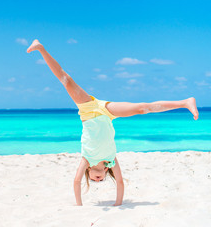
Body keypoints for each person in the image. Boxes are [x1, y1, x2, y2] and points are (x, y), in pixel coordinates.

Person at [26, 39, 199, 206]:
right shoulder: (111, 160)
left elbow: (76, 181)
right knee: (141, 109)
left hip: (89, 109)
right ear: (106, 171)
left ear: (88, 171)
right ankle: (185, 102)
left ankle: (40, 48)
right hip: (107, 112)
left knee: (66, 80)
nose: (97, 180)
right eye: (100, 180)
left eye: (93, 179)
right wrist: (118, 204)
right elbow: (121, 182)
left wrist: (79, 206)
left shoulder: (86, 159)